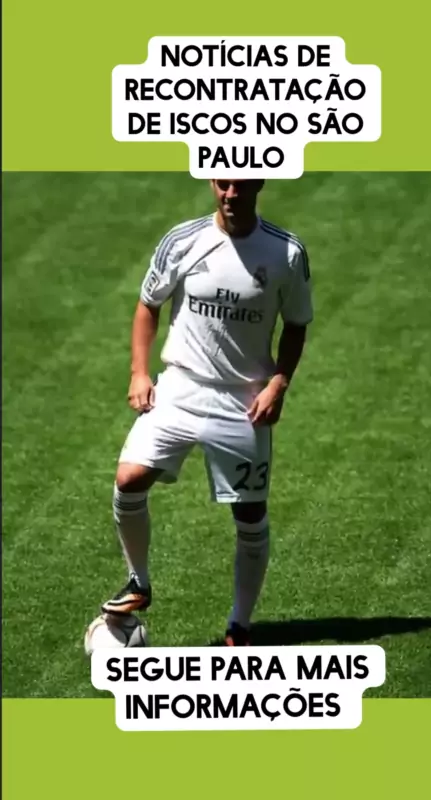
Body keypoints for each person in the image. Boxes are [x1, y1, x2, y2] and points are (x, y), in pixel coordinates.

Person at [100, 178, 313, 645]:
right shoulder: (182, 240)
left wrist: (279, 383)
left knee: (249, 514)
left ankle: (239, 625)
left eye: (240, 184)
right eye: (222, 182)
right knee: (129, 479)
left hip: (243, 400)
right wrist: (139, 373)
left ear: (259, 182)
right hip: (180, 387)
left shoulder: (286, 253)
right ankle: (138, 582)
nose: (230, 193)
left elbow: (297, 324)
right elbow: (148, 304)